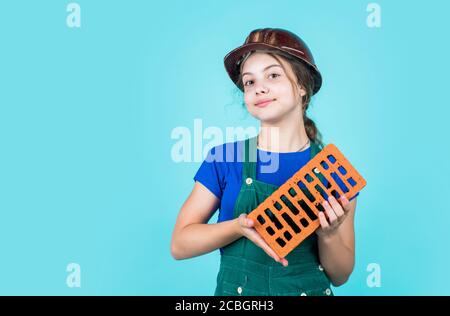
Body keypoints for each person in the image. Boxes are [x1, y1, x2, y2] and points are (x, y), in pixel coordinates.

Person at [171, 28, 359, 296]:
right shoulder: (225, 160)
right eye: (249, 82)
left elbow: (340, 275)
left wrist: (328, 235)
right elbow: (180, 244)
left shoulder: (333, 171)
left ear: (303, 87)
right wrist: (240, 226)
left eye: (273, 75)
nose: (259, 87)